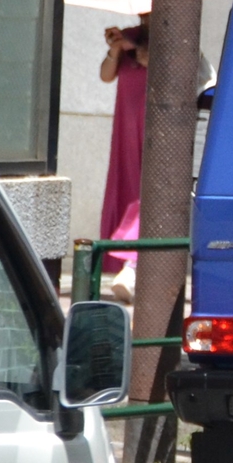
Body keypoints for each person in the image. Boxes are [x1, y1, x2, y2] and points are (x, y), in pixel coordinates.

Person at [98, 21, 148, 299]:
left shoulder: (174, 37)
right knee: (127, 189)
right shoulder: (131, 36)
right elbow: (106, 76)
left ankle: (132, 265)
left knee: (148, 192)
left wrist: (136, 47)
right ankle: (128, 266)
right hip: (127, 128)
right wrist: (116, 49)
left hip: (157, 128)